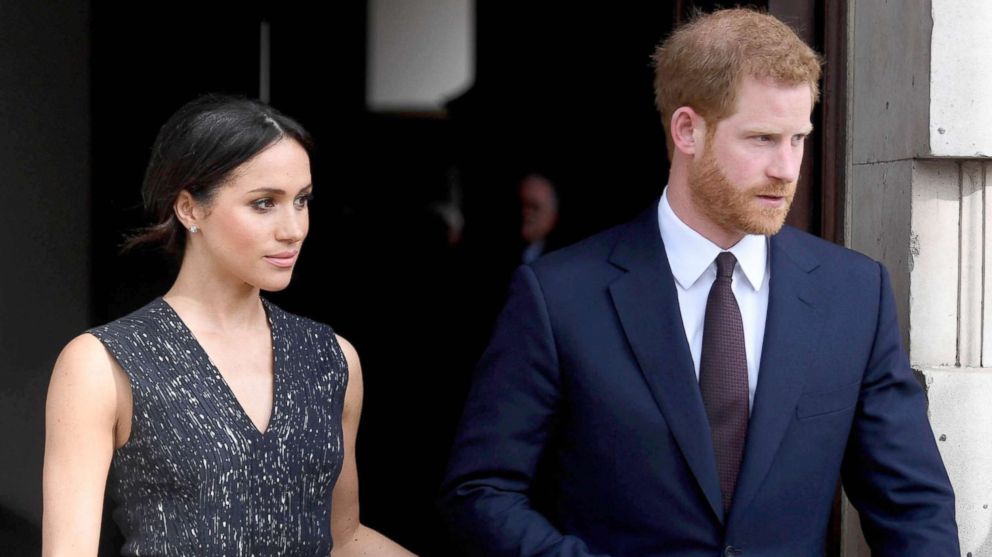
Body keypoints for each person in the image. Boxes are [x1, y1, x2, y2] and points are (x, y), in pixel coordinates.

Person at [440, 8, 958, 556]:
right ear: (687, 130)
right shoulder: (559, 297)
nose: (787, 168)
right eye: (761, 138)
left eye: (798, 139)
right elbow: (481, 492)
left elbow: (914, 510)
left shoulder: (854, 294)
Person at [43, 95, 415, 556]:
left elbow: (344, 537)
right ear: (190, 209)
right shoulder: (100, 364)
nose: (293, 228)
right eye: (264, 203)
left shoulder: (332, 358)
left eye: (302, 201)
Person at [518, 172, 560, 264]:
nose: (525, 212)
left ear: (553, 217)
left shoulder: (560, 259)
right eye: (521, 204)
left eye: (534, 207)